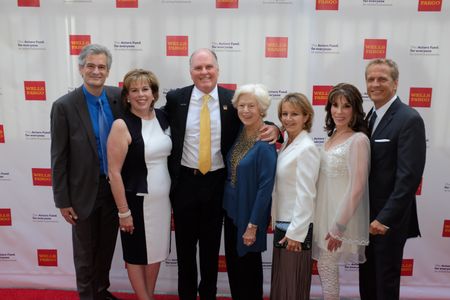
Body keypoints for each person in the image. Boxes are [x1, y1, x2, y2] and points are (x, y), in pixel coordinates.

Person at [164, 48, 279, 300]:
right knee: (184, 252)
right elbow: (151, 119)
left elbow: (254, 121)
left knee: (210, 252)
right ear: (190, 71)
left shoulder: (232, 100)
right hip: (184, 185)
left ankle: (208, 295)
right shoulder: (176, 99)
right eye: (198, 68)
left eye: (209, 67)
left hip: (217, 187)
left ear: (218, 69)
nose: (204, 72)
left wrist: (275, 129)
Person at [50, 44, 121, 300]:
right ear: (81, 69)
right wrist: (63, 200)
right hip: (81, 193)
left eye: (101, 67)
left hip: (114, 190)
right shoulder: (64, 106)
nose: (96, 71)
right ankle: (87, 296)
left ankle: (101, 291)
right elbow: (59, 156)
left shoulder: (117, 98)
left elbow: (147, 114)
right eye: (90, 66)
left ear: (108, 71)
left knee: (105, 249)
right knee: (84, 253)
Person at [359, 59, 426, 300]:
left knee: (384, 284)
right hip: (365, 217)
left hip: (388, 222)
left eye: (382, 79)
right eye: (370, 79)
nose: (375, 84)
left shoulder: (409, 119)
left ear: (395, 83)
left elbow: (409, 177)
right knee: (367, 280)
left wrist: (384, 219)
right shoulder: (370, 116)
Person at [107, 69, 171, 300]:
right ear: (127, 96)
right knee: (135, 254)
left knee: (155, 253)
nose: (141, 94)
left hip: (162, 201)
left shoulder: (163, 118)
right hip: (135, 201)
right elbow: (113, 172)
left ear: (154, 93)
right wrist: (123, 212)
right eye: (134, 90)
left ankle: (149, 296)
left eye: (145, 89)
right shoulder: (121, 126)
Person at [312, 83, 371, 300]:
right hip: (323, 214)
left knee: (327, 267)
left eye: (346, 106)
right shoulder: (331, 138)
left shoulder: (358, 140)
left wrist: (339, 226)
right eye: (334, 105)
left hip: (341, 218)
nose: (339, 111)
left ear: (355, 110)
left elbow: (357, 187)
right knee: (326, 269)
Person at [222, 84, 277, 300]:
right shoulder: (239, 131)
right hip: (232, 212)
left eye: (251, 106)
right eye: (241, 105)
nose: (245, 110)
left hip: (250, 215)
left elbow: (265, 189)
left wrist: (253, 226)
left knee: (249, 271)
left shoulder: (266, 142)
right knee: (235, 269)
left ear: (262, 109)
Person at [270, 93, 320, 300]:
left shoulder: (306, 148)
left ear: (306, 117)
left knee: (291, 286)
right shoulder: (288, 143)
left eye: (295, 114)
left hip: (294, 231)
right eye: (284, 114)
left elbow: (306, 194)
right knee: (283, 284)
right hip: (283, 224)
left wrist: (296, 234)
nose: (288, 119)